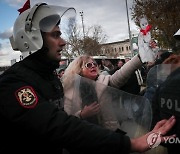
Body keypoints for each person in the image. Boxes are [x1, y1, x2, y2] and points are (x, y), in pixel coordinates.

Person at [0, 2, 176, 154]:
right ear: (32, 40)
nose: (63, 42)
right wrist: (131, 144)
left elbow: (116, 79)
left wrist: (140, 57)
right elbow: (61, 127)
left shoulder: (49, 78)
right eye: (55, 35)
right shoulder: (15, 84)